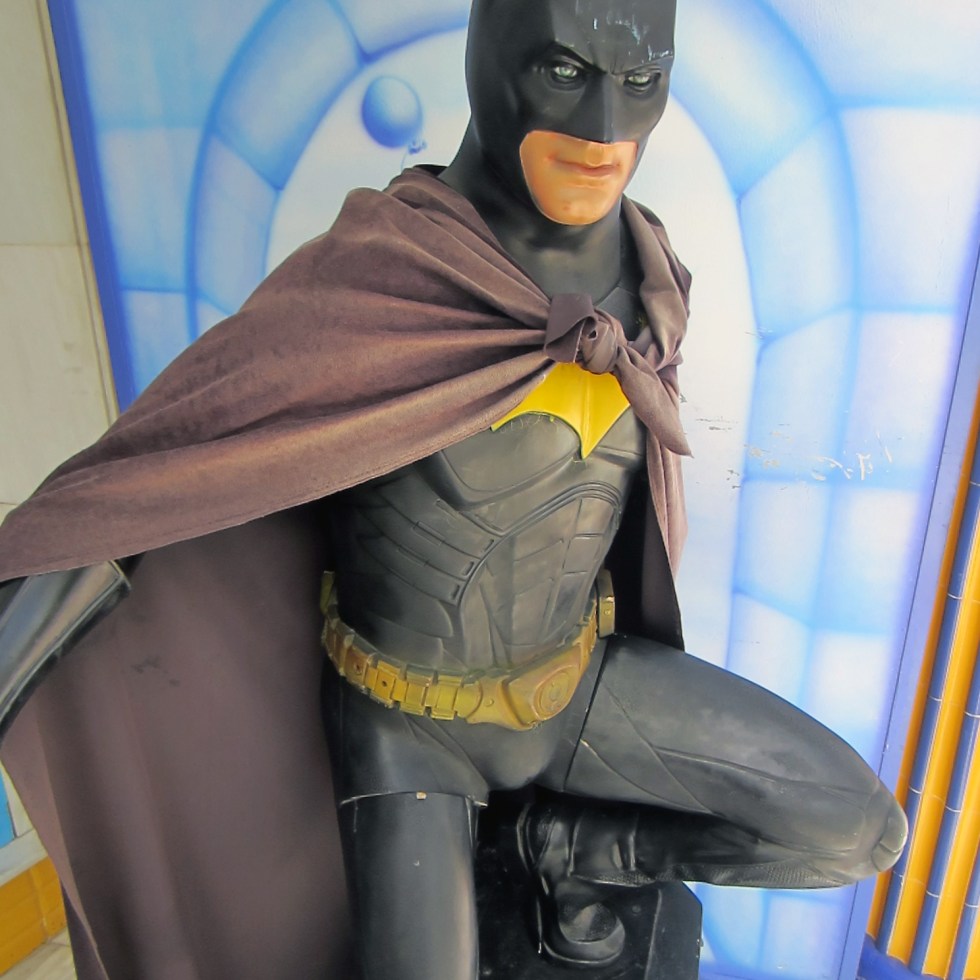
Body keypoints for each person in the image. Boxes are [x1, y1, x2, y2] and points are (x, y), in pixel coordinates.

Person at [0, 0, 905, 977]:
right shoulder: (384, 275)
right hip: (406, 732)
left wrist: (604, 843)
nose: (604, 127)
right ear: (496, 52)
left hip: (575, 686)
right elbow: (157, 473)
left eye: (639, 82)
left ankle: (572, 847)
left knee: (854, 829)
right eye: (565, 74)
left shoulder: (649, 277)